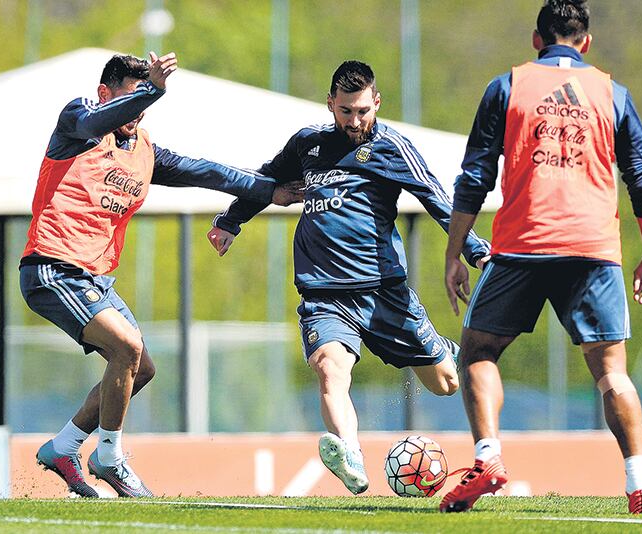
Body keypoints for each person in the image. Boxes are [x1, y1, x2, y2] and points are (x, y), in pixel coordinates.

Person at [22, 52, 302, 498]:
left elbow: (209, 172)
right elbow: (99, 120)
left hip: (94, 280)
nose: (138, 113)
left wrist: (271, 191)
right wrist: (152, 89)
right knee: (128, 347)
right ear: (105, 94)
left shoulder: (145, 152)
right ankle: (109, 457)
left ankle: (64, 446)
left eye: (144, 104)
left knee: (142, 368)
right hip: (52, 268)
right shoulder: (78, 121)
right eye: (131, 100)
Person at [207, 60, 490, 494]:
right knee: (330, 369)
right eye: (345, 111)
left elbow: (437, 198)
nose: (354, 121)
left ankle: (445, 350)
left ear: (377, 102)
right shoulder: (308, 144)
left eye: (362, 111)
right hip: (324, 295)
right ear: (330, 104)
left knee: (446, 384)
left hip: (383, 293)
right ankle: (350, 454)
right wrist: (231, 221)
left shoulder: (392, 147)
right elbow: (266, 180)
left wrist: (475, 249)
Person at [440, 0, 642, 514]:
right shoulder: (613, 93)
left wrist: (455, 251)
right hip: (593, 249)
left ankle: (488, 458)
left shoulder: (507, 86)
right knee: (611, 372)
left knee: (478, 352)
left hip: (523, 244)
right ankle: (641, 486)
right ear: (586, 42)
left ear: (536, 40)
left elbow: (474, 178)